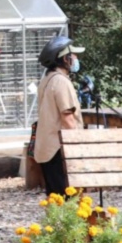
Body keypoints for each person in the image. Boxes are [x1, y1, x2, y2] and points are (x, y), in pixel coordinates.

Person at [32, 35, 85, 197]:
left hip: (47, 147)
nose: (76, 58)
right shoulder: (61, 82)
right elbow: (67, 118)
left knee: (56, 198)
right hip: (59, 148)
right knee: (69, 198)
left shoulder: (48, 79)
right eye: (73, 55)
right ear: (65, 59)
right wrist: (79, 146)